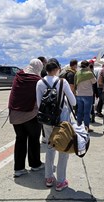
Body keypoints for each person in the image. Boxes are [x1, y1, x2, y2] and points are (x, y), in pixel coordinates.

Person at [36, 61, 76, 191]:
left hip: (47, 120)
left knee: (49, 146)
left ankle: (48, 178)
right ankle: (60, 181)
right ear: (58, 69)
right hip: (62, 120)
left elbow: (38, 104)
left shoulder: (40, 82)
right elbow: (73, 102)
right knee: (63, 149)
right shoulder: (62, 82)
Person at [8, 58, 44, 177]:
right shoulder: (37, 80)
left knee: (20, 139)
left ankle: (18, 168)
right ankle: (35, 164)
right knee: (34, 140)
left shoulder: (18, 76)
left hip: (14, 114)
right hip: (30, 114)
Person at [74, 60, 97, 132]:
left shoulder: (77, 73)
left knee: (79, 111)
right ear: (87, 66)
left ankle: (78, 126)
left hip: (79, 94)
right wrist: (90, 70)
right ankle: (86, 127)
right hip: (88, 95)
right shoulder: (89, 73)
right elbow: (94, 81)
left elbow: (75, 83)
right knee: (86, 112)